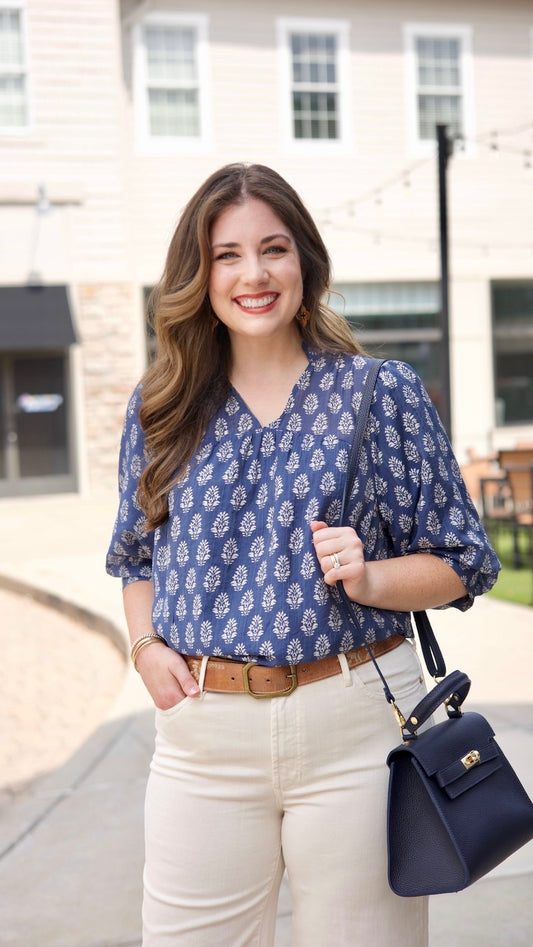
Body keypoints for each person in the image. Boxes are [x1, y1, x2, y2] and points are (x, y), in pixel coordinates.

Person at [106, 163, 500, 947]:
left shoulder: (378, 392)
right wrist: (146, 646)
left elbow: (465, 560)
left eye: (273, 249)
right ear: (200, 273)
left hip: (355, 725)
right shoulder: (161, 406)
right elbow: (135, 558)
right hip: (204, 739)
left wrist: (371, 574)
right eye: (226, 255)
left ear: (305, 264)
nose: (253, 274)